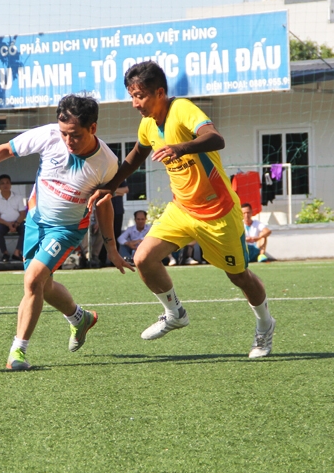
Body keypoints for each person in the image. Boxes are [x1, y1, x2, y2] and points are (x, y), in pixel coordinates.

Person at [90, 61, 276, 358]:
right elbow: (137, 154)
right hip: (182, 209)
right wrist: (110, 185)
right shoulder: (148, 123)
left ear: (160, 92)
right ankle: (175, 313)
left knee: (239, 276)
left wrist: (181, 148)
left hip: (218, 212)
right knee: (143, 258)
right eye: (131, 96)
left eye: (140, 96)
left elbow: (216, 138)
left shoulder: (183, 109)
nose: (135, 103)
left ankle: (265, 325)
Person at [0, 94, 133, 370]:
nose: (68, 141)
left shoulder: (107, 162)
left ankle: (17, 353)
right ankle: (79, 318)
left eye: (75, 135)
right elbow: (5, 150)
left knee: (33, 280)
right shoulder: (48, 136)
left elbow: (105, 205)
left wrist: (112, 249)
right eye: (64, 133)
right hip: (34, 221)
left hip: (67, 230)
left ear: (93, 128)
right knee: (43, 287)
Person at [0, 174, 26, 262]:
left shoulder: (18, 198)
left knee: (27, 229)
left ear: (10, 185)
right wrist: (8, 224)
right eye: (2, 183)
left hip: (18, 222)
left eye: (7, 183)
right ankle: (5, 253)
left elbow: (23, 213)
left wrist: (16, 223)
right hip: (3, 223)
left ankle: (17, 253)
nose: (5, 185)